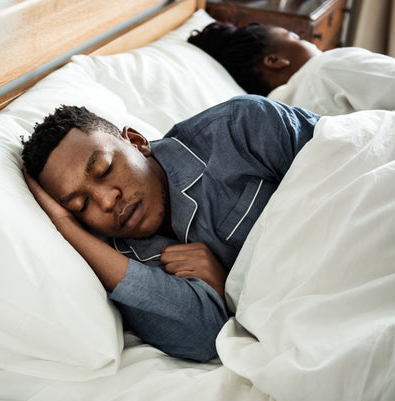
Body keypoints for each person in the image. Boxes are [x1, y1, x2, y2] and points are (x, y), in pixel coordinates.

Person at [22, 95, 319, 362]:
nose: (106, 200)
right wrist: (66, 228)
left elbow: (344, 165)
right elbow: (203, 340)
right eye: (80, 205)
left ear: (136, 142)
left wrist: (232, 289)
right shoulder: (120, 264)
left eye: (105, 170)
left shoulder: (239, 127)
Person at [188, 22, 395, 115]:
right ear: (274, 60)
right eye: (296, 37)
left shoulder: (275, 115)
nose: (310, 41)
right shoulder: (327, 68)